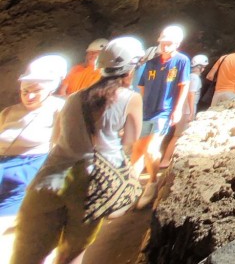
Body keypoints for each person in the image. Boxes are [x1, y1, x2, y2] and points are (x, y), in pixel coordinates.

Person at [11, 37, 144, 264]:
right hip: (89, 186)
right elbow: (130, 140)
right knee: (71, 254)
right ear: (131, 69)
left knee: (26, 254)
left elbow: (56, 139)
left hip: (50, 177)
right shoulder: (131, 98)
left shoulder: (72, 98)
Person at [0, 56, 67, 217]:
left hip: (27, 169)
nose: (29, 97)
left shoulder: (59, 109)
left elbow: (62, 146)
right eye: (25, 91)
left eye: (36, 91)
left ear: (51, 89)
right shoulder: (9, 112)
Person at [133, 26, 190, 197]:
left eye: (169, 43)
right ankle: (131, 185)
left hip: (164, 111)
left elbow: (184, 84)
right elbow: (141, 86)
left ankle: (152, 182)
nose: (165, 46)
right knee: (137, 148)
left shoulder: (181, 61)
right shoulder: (151, 62)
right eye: (163, 43)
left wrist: (178, 109)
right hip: (146, 110)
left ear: (177, 44)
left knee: (151, 149)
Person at [158, 53, 207, 170]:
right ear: (200, 67)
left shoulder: (186, 75)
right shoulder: (194, 78)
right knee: (178, 136)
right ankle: (165, 160)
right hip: (186, 111)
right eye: (204, 66)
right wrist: (191, 112)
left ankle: (167, 159)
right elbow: (191, 94)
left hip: (182, 109)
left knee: (177, 135)